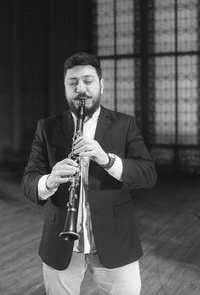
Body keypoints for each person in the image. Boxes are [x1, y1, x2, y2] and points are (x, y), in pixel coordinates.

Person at [22, 52, 157, 295]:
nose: (80, 89)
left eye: (88, 80)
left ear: (101, 85)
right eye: (73, 83)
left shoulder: (124, 124)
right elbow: (29, 181)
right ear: (65, 87)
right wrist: (49, 180)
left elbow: (148, 173)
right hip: (61, 243)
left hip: (115, 240)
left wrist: (107, 160)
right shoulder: (47, 127)